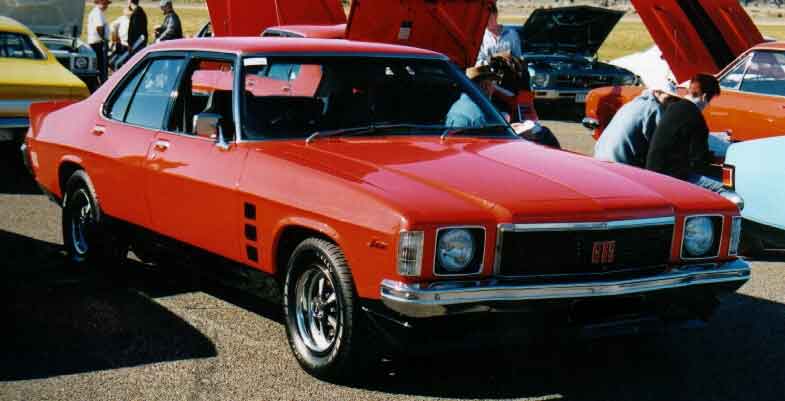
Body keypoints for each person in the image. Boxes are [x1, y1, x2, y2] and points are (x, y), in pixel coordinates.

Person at [646, 73, 725, 192]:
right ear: (704, 97)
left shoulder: (673, 107)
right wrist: (718, 163)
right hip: (671, 178)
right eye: (710, 100)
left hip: (652, 172)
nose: (708, 105)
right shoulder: (695, 118)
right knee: (725, 187)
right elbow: (699, 162)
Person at [593, 82, 679, 167]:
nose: (672, 103)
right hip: (621, 167)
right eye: (670, 99)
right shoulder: (653, 109)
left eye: (675, 100)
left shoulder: (634, 103)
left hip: (601, 161)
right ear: (657, 92)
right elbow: (662, 148)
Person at [87, 0, 111, 83]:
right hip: (98, 43)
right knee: (102, 67)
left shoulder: (97, 12)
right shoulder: (98, 13)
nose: (105, 5)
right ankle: (103, 85)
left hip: (96, 43)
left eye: (106, 3)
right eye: (103, 3)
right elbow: (99, 27)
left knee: (99, 66)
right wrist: (103, 38)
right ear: (98, 3)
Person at [108, 6, 131, 70]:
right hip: (122, 44)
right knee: (114, 62)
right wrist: (115, 38)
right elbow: (112, 27)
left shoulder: (134, 20)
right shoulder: (122, 19)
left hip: (128, 45)